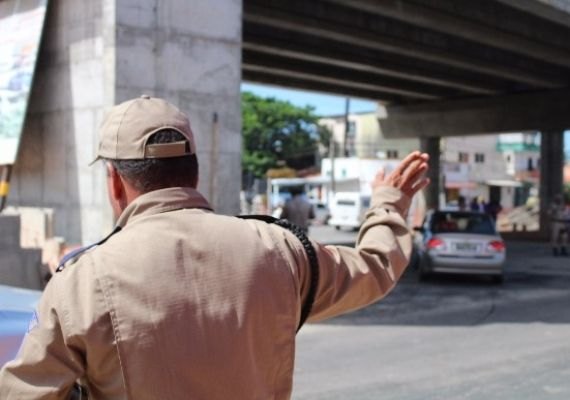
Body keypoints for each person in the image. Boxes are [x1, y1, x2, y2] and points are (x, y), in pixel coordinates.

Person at [0, 95, 430, 399]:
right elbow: (374, 267)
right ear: (194, 172)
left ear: (114, 181)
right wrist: (388, 204)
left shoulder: (81, 282)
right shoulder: (280, 249)